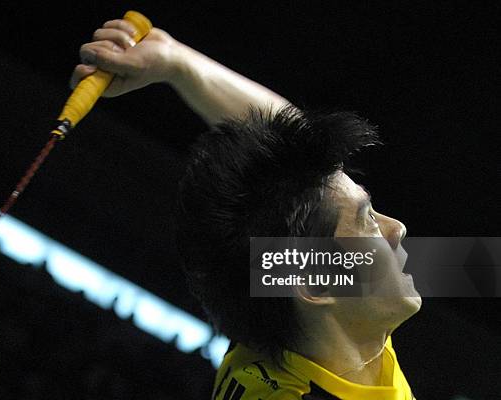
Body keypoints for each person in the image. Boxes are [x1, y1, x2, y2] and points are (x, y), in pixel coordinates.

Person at [71, 19, 421, 400]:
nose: (396, 228)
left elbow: (290, 137)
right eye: (367, 220)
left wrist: (175, 62)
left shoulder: (295, 323)